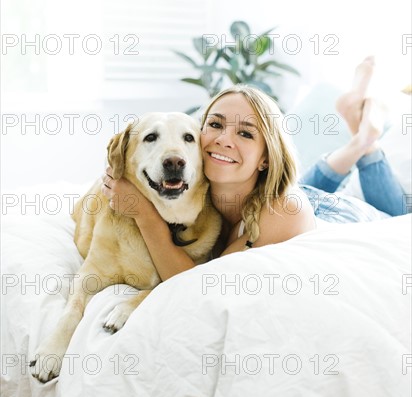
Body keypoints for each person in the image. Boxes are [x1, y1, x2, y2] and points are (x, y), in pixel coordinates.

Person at [101, 57, 407, 282]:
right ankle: (358, 139)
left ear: (265, 158)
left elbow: (197, 286)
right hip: (298, 193)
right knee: (300, 185)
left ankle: (366, 141)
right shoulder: (192, 187)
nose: (224, 140)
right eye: (216, 124)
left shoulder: (280, 212)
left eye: (245, 133)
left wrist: (145, 216)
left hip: (343, 214)